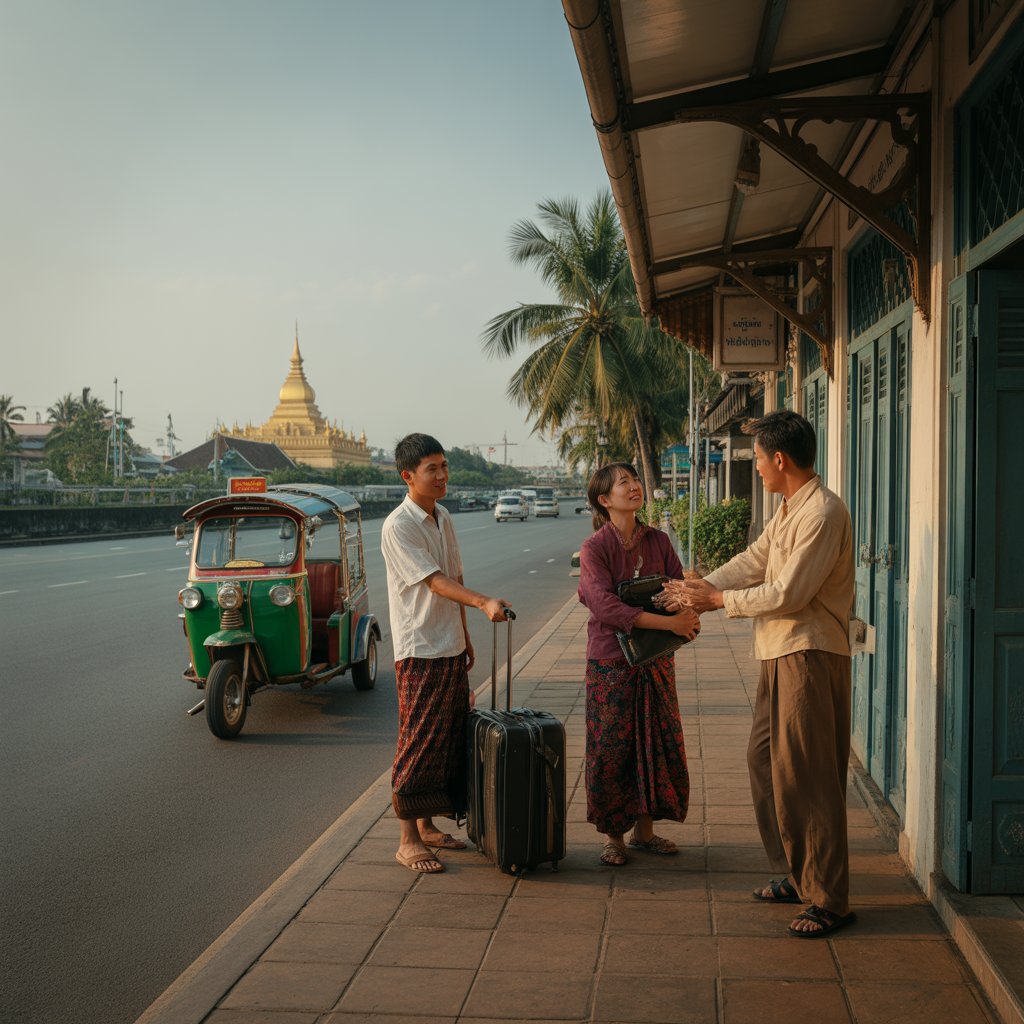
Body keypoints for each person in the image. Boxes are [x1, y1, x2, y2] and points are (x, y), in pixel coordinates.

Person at [665, 411, 856, 938]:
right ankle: (797, 873)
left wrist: (718, 599)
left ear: (779, 459)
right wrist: (699, 590)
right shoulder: (790, 508)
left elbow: (788, 593)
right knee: (765, 763)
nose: (756, 469)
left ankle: (829, 898)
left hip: (810, 652)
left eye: (757, 459)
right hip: (780, 652)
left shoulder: (822, 512)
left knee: (808, 775)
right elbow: (756, 559)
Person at [381, 433, 510, 873]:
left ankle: (429, 824)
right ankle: (407, 838)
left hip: (449, 644)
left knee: (447, 741)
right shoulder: (399, 525)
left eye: (444, 466)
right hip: (420, 649)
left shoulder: (443, 517)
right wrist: (482, 602)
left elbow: (454, 573)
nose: (441, 476)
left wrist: (466, 635)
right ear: (408, 476)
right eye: (431, 469)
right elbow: (433, 581)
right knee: (417, 742)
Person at [577, 462, 700, 867]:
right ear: (603, 499)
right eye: (623, 483)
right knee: (611, 747)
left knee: (655, 743)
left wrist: (683, 608)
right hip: (611, 661)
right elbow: (603, 605)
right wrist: (668, 621)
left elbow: (678, 584)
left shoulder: (659, 541)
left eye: (634, 480)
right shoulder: (596, 548)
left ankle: (645, 831)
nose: (634, 487)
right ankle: (614, 836)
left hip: (655, 659)